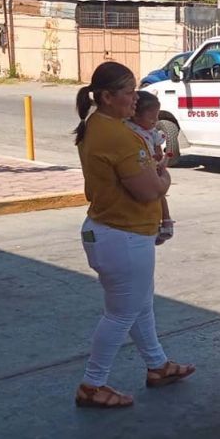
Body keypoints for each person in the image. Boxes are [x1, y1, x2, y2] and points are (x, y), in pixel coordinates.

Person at [73, 62, 194, 409]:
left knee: (138, 305)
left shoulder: (97, 124)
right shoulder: (117, 135)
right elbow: (149, 190)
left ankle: (157, 366)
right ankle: (93, 384)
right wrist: (164, 177)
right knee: (121, 313)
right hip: (121, 236)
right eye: (128, 92)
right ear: (108, 97)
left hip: (115, 233)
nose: (135, 99)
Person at [126, 91, 174, 245]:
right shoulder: (129, 129)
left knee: (160, 195)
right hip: (142, 166)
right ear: (136, 116)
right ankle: (156, 224)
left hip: (151, 165)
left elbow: (158, 145)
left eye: (157, 117)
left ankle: (166, 220)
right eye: (151, 118)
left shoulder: (152, 131)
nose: (155, 121)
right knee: (154, 193)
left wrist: (160, 156)